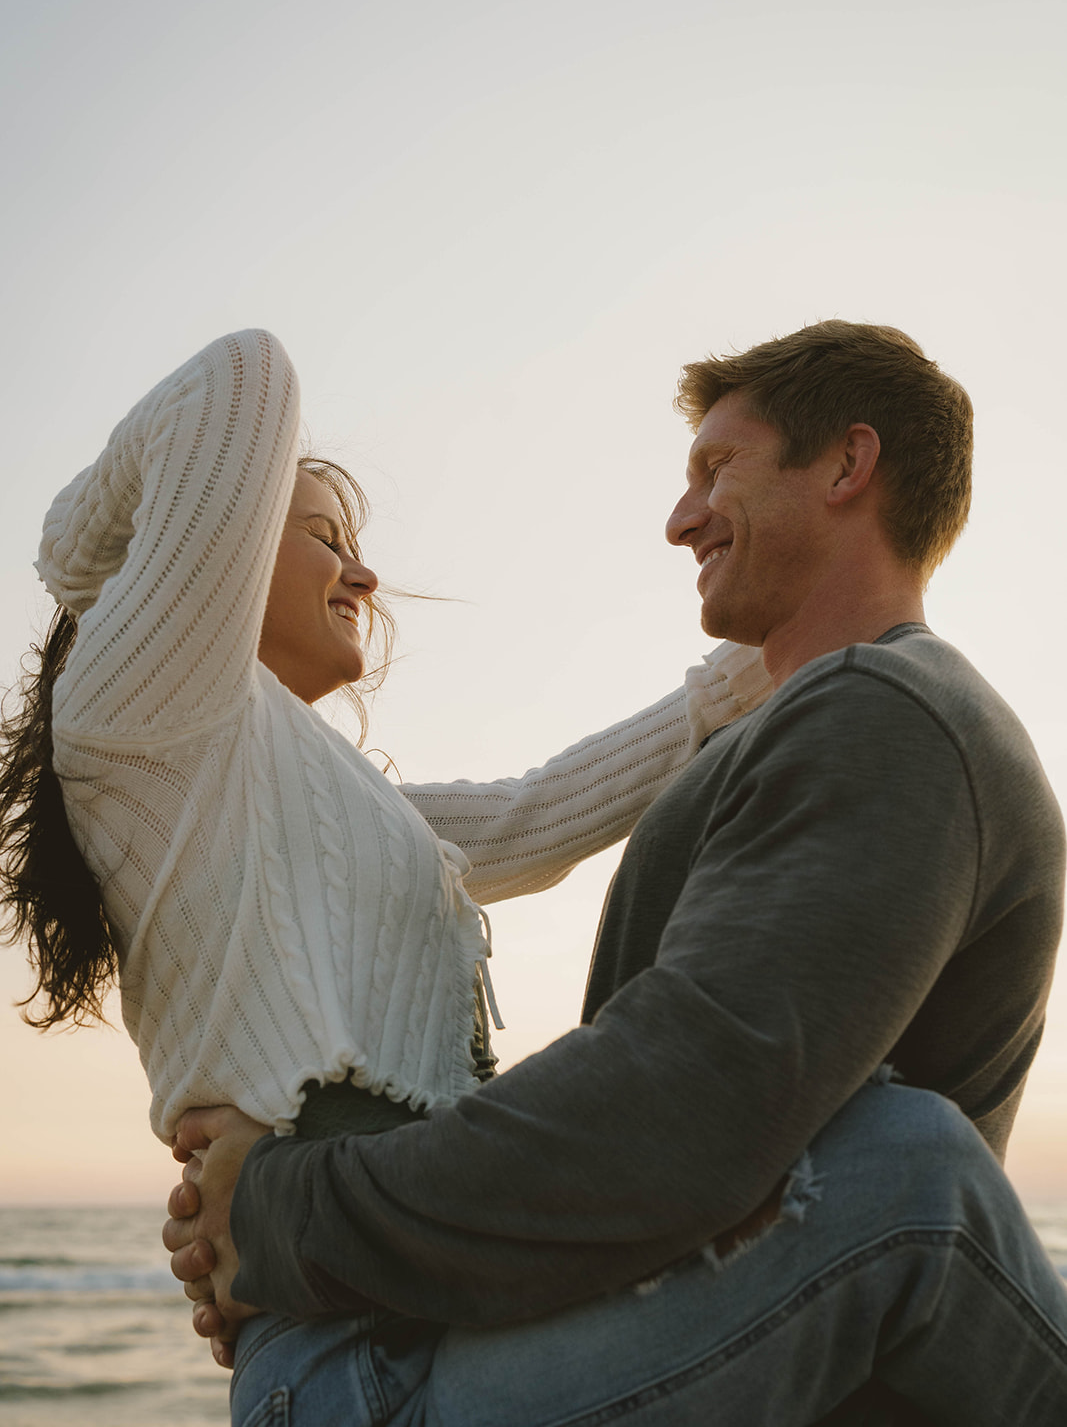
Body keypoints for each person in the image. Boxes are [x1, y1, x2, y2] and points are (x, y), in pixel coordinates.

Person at [166, 320, 1067, 1426]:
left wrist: (279, 1216)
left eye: (715, 469)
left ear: (845, 464)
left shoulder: (884, 714)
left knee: (906, 1169)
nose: (679, 517)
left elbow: (669, 1106)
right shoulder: (826, 722)